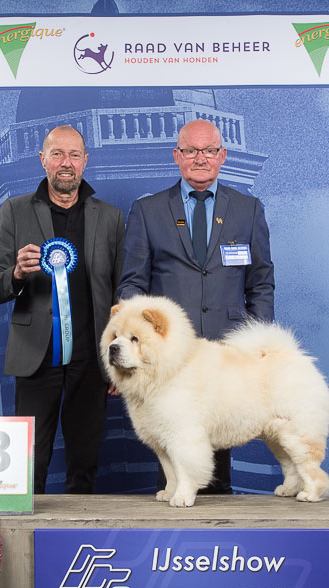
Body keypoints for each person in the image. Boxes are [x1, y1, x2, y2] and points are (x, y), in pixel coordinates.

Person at [117, 118, 275, 494]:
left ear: (222, 155)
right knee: (171, 439)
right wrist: (134, 340)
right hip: (170, 358)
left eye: (209, 150)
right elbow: (132, 284)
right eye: (191, 150)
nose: (200, 158)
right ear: (177, 155)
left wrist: (261, 347)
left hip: (227, 352)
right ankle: (174, 513)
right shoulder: (147, 211)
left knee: (220, 448)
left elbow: (260, 283)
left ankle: (220, 524)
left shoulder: (249, 209)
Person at [0, 125, 124, 494]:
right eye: (57, 154)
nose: (66, 162)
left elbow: (122, 294)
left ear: (85, 161)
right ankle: (26, 529)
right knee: (27, 469)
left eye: (74, 155)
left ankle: (78, 530)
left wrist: (118, 361)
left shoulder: (111, 218)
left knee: (85, 467)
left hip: (92, 360)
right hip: (35, 358)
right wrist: (16, 273)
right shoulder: (14, 211)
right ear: (43, 160)